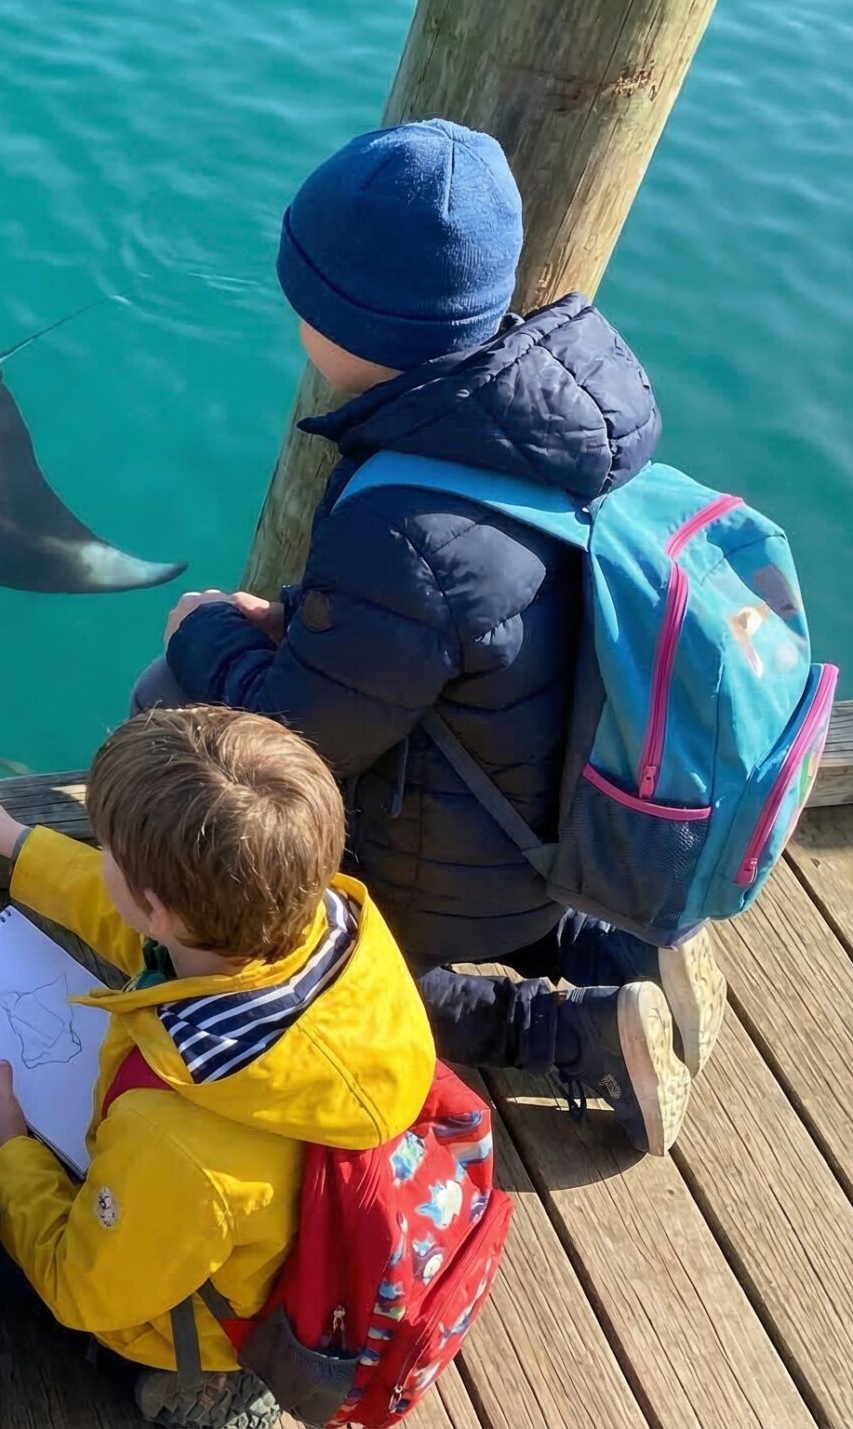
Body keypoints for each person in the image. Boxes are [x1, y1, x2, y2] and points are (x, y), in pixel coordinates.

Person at [152, 117, 718, 1155]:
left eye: (303, 303)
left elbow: (296, 733)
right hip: (566, 818)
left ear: (346, 324)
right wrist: (305, 624)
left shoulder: (399, 529)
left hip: (459, 860)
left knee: (305, 954)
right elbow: (471, 632)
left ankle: (573, 1029)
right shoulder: (562, 410)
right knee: (486, 866)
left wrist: (203, 643)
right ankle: (622, 948)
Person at [0, 707, 434, 1429]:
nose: (102, 860)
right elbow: (150, 928)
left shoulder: (178, 1147)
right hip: (245, 1222)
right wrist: (17, 842)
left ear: (157, 908)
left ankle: (194, 1380)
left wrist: (11, 1152)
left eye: (105, 850)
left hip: (180, 1295)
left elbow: (85, 1289)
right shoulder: (331, 935)